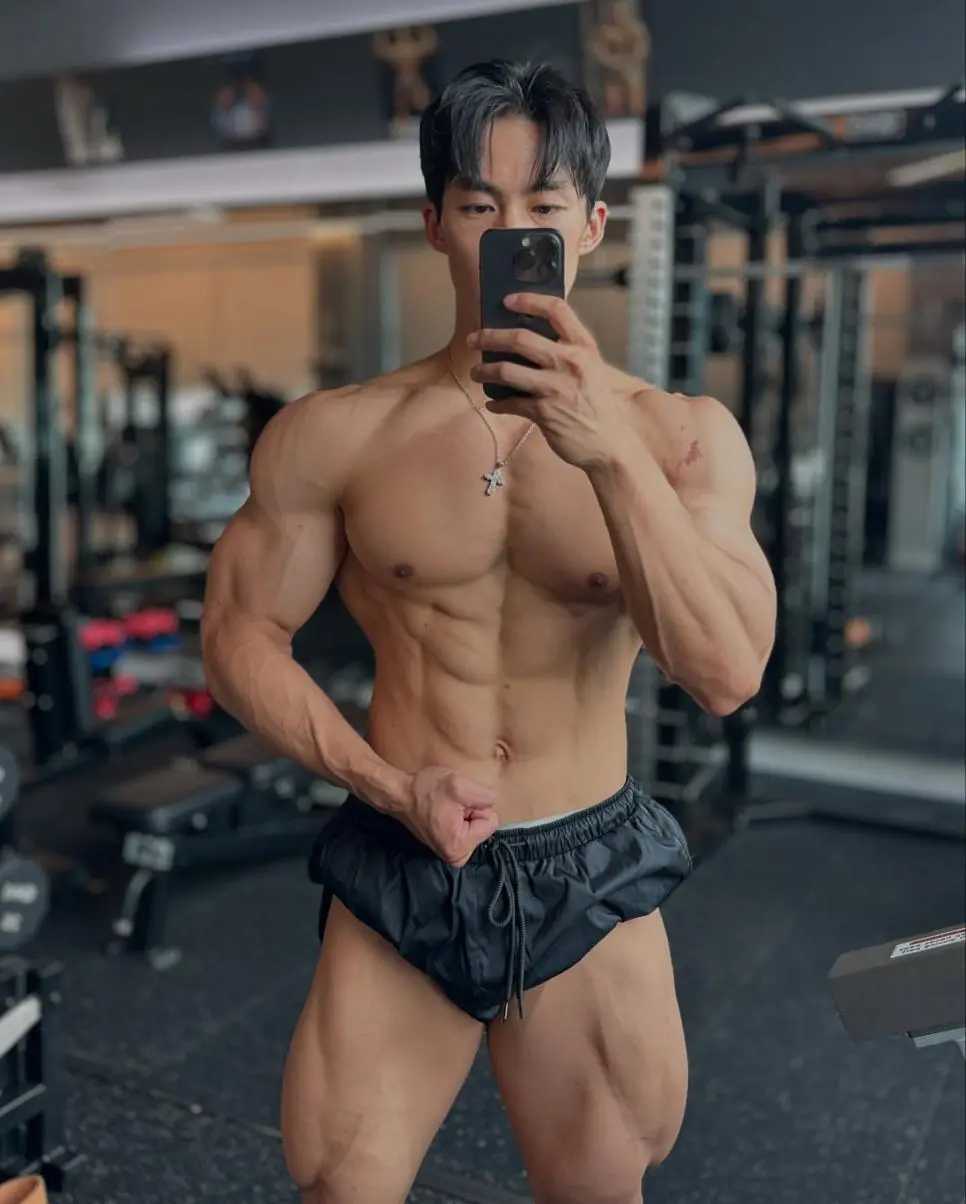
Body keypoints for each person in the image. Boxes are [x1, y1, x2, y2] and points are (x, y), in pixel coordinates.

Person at [201, 60, 776, 1204]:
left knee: (598, 1189)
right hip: (404, 844)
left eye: (545, 206)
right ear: (435, 225)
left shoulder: (680, 438)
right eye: (480, 205)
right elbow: (238, 635)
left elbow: (724, 673)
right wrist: (383, 781)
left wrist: (602, 450)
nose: (514, 234)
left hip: (587, 861)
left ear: (594, 225)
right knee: (338, 1183)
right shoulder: (336, 435)